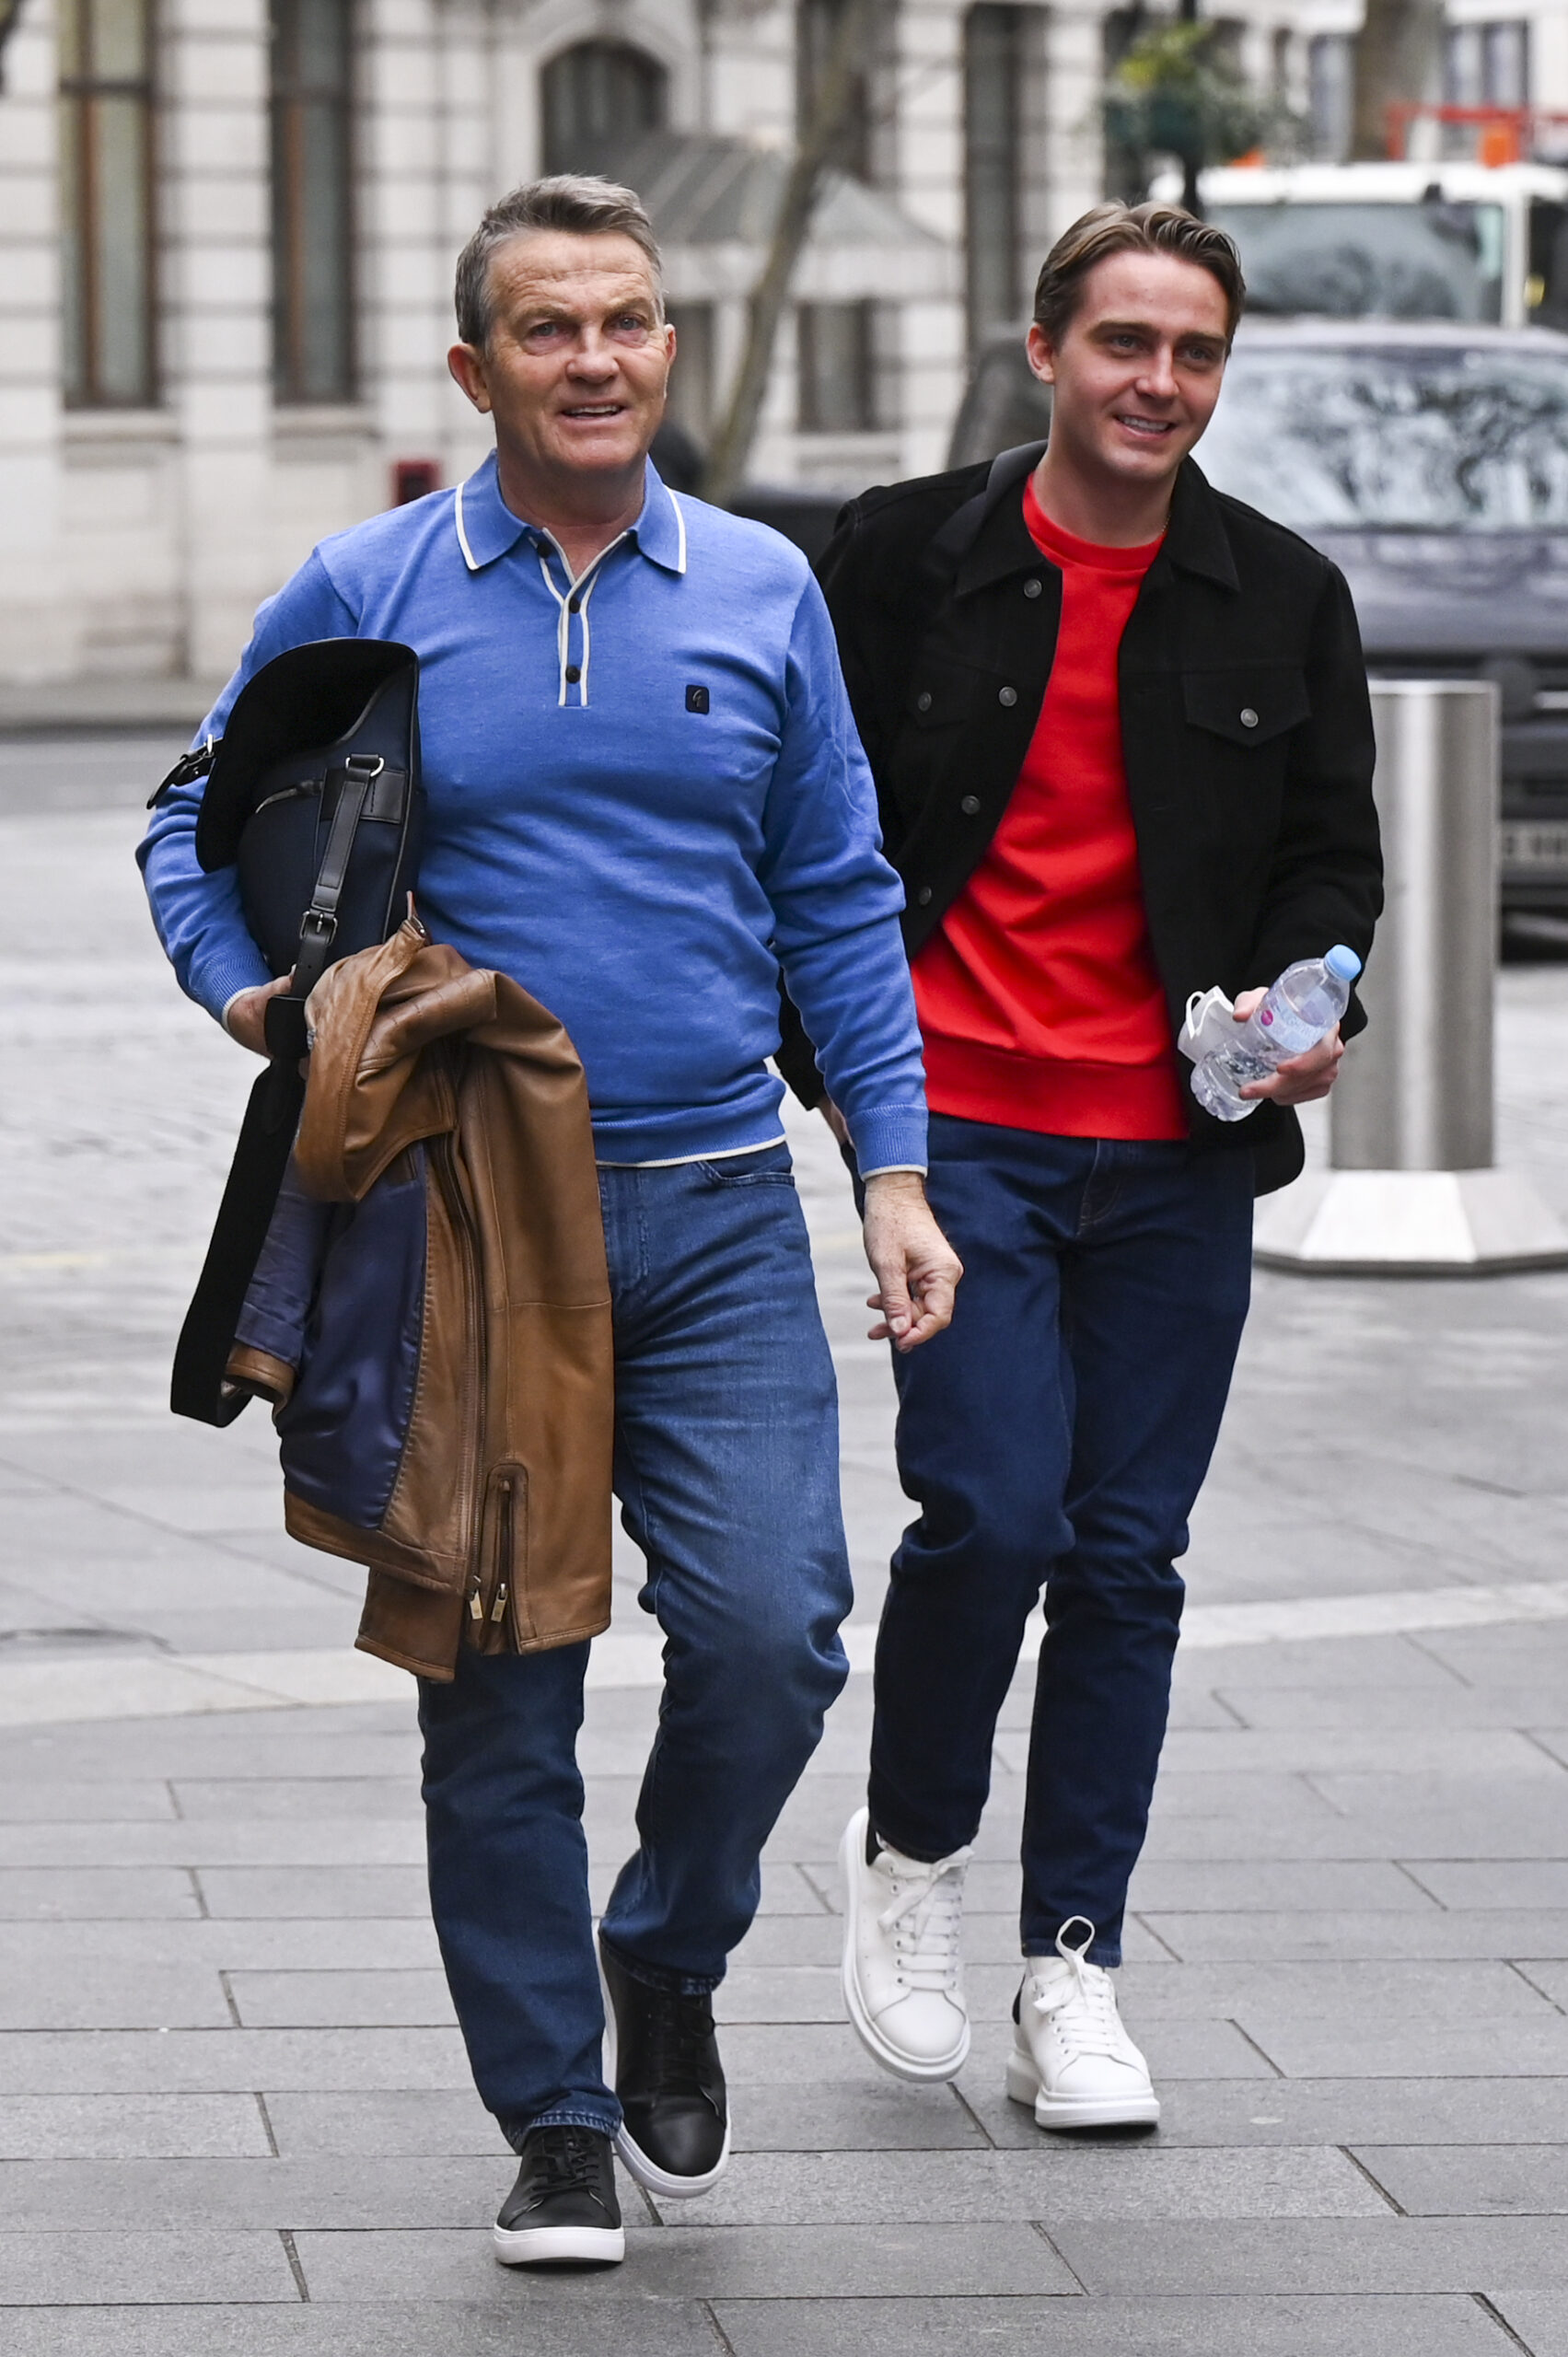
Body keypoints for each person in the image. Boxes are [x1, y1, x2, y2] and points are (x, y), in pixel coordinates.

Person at [140, 175, 959, 2268]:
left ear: (667, 351)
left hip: (710, 1206)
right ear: (473, 365)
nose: (594, 358)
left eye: (627, 321)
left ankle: (668, 1942)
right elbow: (193, 815)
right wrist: (262, 998)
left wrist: (890, 1164)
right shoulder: (368, 584)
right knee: (495, 1681)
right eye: (548, 327)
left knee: (776, 1624)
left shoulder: (766, 587)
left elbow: (844, 898)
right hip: (465, 1218)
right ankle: (555, 2111)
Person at [787, 203, 1381, 2128]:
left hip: (1180, 1150)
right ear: (1044, 350)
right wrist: (851, 1104)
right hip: (958, 1138)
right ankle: (912, 1861)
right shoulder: (893, 557)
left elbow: (1331, 863)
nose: (1159, 384)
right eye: (1125, 342)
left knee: (1129, 1553)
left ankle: (1076, 1965)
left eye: (1196, 353)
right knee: (996, 1511)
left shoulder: (1279, 594)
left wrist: (1319, 999)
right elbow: (806, 834)